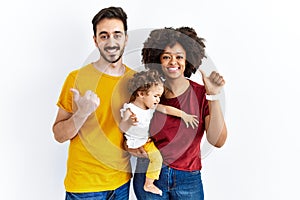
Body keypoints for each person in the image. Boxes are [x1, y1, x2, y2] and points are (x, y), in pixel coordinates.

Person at [130, 27, 228, 199]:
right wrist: (129, 147)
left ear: (188, 59)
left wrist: (213, 95)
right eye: (166, 56)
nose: (173, 62)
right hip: (150, 175)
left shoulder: (201, 94)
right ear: (158, 60)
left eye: (179, 56)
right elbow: (129, 127)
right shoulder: (148, 93)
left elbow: (217, 141)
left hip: (188, 179)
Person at [52, 6, 135, 199]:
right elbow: (58, 135)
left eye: (117, 34)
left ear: (126, 38)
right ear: (95, 40)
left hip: (122, 183)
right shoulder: (76, 79)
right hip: (85, 187)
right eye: (104, 36)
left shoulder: (136, 80)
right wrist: (82, 114)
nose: (111, 42)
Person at [119, 69, 199, 196]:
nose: (158, 100)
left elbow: (166, 109)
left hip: (146, 141)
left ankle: (149, 182)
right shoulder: (130, 109)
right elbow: (122, 127)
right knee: (157, 159)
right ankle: (149, 184)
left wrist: (183, 115)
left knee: (156, 157)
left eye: (159, 97)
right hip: (135, 142)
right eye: (155, 96)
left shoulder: (150, 107)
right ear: (141, 93)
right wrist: (129, 122)